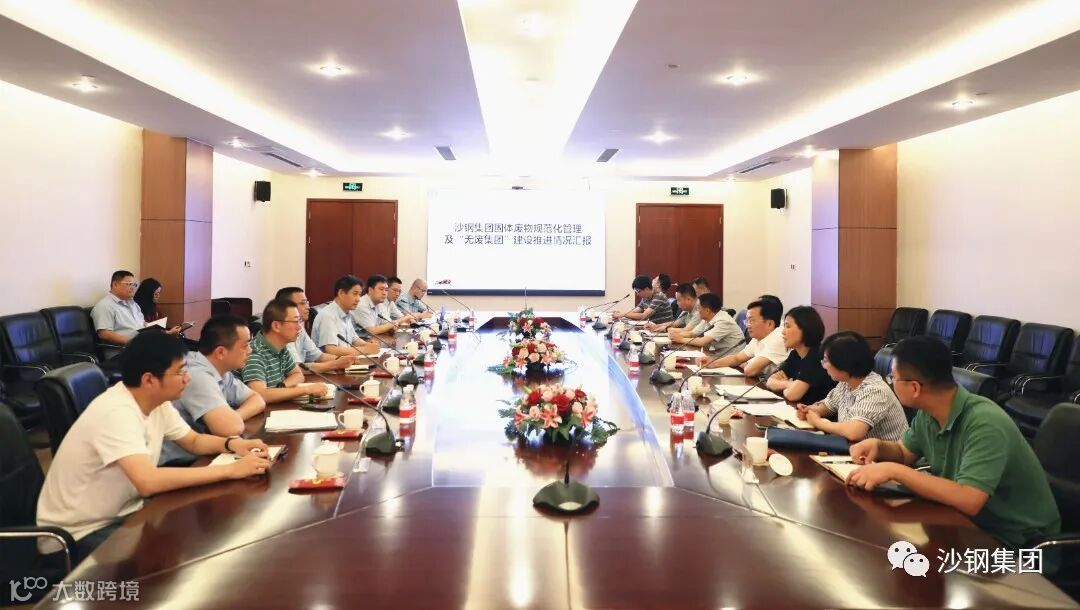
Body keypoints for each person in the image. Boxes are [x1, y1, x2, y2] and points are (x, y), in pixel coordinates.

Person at [36, 332, 270, 561]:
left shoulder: (156, 402)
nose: (187, 379)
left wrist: (234, 444)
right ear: (149, 379)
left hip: (126, 511)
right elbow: (148, 482)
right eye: (180, 372)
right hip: (80, 533)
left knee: (197, 541)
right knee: (185, 554)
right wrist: (230, 470)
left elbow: (193, 441)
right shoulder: (116, 412)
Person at [846, 336, 1060, 549]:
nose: (890, 382)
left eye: (893, 377)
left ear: (914, 388)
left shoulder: (985, 422)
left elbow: (969, 499)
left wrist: (895, 471)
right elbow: (904, 452)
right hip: (964, 525)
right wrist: (878, 447)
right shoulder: (929, 413)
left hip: (1016, 544)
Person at [160, 315, 267, 465]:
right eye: (245, 346)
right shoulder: (195, 374)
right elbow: (231, 428)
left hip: (202, 453)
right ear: (221, 352)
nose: (250, 350)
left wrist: (235, 416)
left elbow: (257, 399)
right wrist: (231, 420)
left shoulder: (220, 369)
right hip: (177, 465)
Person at [795, 331, 907, 441]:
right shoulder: (846, 382)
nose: (824, 366)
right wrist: (810, 410)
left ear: (844, 363)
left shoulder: (875, 390)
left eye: (826, 361)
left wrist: (818, 422)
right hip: (855, 448)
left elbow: (854, 432)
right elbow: (828, 406)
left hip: (881, 453)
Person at [241, 299, 332, 404]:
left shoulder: (280, 347)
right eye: (295, 321)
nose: (299, 327)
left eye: (299, 321)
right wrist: (306, 390)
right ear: (276, 326)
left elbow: (298, 374)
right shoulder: (254, 354)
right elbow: (261, 395)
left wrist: (282, 387)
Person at [275, 287, 357, 373]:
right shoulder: (282, 331)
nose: (308, 307)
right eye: (303, 303)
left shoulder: (299, 327)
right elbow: (297, 368)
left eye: (307, 302)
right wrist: (335, 364)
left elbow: (319, 356)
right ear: (287, 307)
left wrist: (345, 360)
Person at [91, 270, 182, 344]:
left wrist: (166, 333)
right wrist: (134, 343)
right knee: (170, 350)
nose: (133, 287)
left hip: (143, 344)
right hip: (125, 350)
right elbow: (104, 334)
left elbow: (143, 324)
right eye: (129, 284)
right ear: (115, 284)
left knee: (176, 343)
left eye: (134, 285)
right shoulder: (105, 306)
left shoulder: (133, 304)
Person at [703, 298, 788, 377]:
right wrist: (713, 363)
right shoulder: (759, 335)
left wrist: (747, 364)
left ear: (769, 324)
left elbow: (749, 371)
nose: (747, 325)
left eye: (751, 321)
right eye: (747, 321)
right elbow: (737, 358)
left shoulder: (779, 338)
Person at [766, 306, 835, 403]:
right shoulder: (795, 354)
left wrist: (785, 385)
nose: (783, 332)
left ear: (805, 329)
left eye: (787, 326)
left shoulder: (818, 355)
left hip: (819, 410)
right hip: (802, 408)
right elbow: (770, 381)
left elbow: (792, 395)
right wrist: (788, 384)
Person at [310, 275, 380, 356]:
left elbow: (354, 339)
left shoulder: (346, 312)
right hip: (331, 362)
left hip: (346, 360)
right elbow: (331, 350)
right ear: (341, 293)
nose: (358, 299)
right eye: (355, 294)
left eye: (359, 294)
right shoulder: (328, 316)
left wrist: (367, 345)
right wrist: (365, 349)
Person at [678, 293, 744, 356]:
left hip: (733, 356)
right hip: (718, 353)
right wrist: (675, 336)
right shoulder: (707, 318)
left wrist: (680, 339)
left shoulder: (723, 321)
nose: (697, 311)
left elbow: (702, 342)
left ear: (707, 310)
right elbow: (692, 333)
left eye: (698, 308)